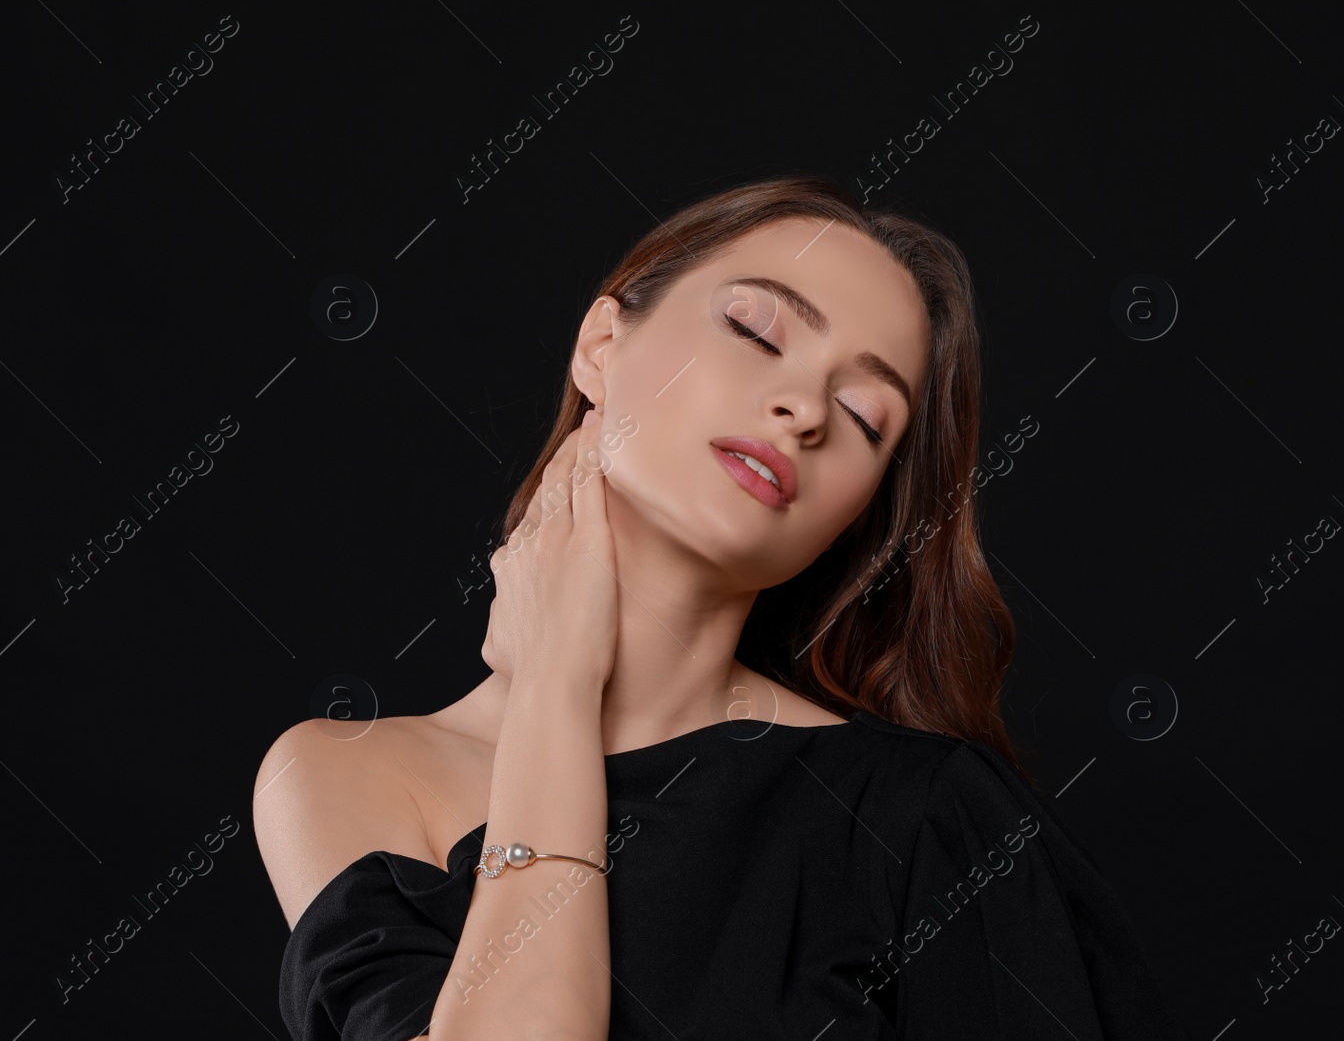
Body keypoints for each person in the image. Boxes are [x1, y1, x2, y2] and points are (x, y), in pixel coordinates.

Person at [253, 175, 1193, 1040]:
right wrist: (556, 688)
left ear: (857, 515)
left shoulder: (931, 818)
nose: (805, 408)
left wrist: (554, 680)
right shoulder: (348, 775)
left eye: (865, 416)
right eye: (757, 329)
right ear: (601, 345)